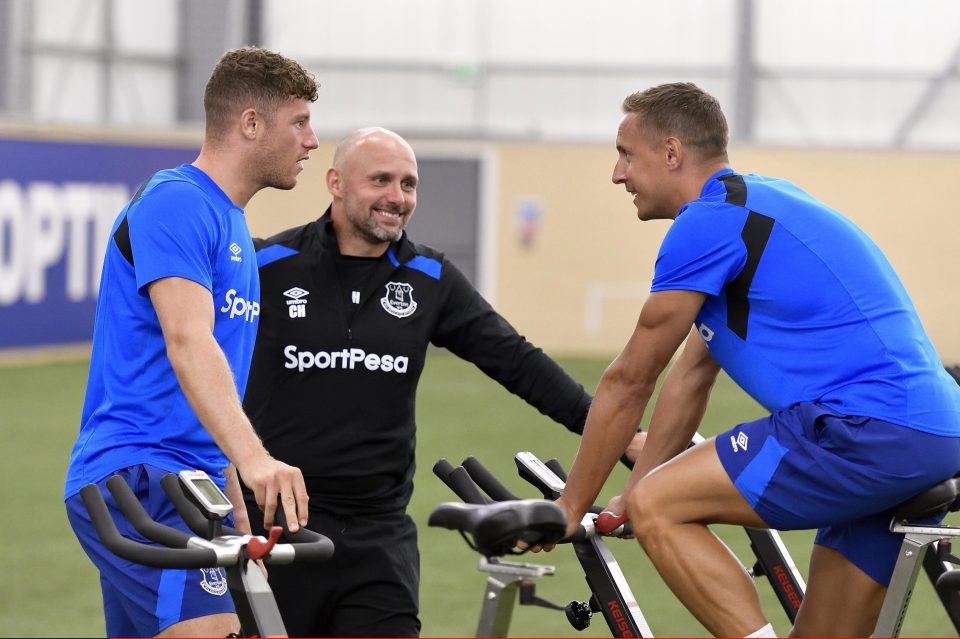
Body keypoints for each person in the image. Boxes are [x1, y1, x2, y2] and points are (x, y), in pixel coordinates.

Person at [548, 83, 960, 637]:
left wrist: (570, 507)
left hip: (864, 428)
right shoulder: (757, 203)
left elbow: (629, 380)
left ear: (671, 153)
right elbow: (690, 376)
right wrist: (628, 494)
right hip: (932, 438)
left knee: (660, 507)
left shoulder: (708, 222)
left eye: (625, 154)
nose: (617, 175)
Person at [242, 126, 645, 637]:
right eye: (381, 180)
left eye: (409, 184)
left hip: (378, 541)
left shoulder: (429, 278)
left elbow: (518, 362)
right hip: (278, 528)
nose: (397, 197)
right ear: (336, 182)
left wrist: (619, 433)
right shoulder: (268, 267)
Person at [63, 47, 321, 638]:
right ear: (250, 123)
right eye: (299, 122)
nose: (311, 141)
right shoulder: (177, 200)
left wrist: (232, 497)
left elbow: (212, 385)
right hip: (140, 475)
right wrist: (257, 460)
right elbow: (187, 340)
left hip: (190, 484)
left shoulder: (231, 223)